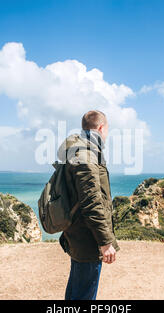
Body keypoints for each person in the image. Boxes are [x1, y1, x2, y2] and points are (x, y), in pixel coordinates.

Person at [57, 110, 120, 300]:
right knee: (84, 292)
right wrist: (105, 241)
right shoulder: (87, 156)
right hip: (87, 236)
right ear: (101, 128)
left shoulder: (80, 151)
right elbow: (92, 203)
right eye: (107, 130)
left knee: (78, 288)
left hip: (78, 230)